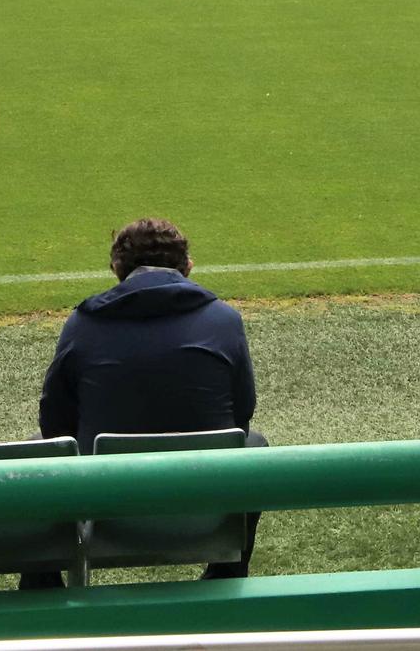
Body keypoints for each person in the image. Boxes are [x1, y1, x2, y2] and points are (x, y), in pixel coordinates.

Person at [31, 218, 261, 583]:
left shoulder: (83, 324)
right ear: (188, 268)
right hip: (202, 506)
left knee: (39, 451)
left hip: (106, 510)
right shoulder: (224, 320)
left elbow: (53, 422)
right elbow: (242, 417)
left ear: (116, 269)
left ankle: (41, 582)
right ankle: (229, 572)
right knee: (256, 445)